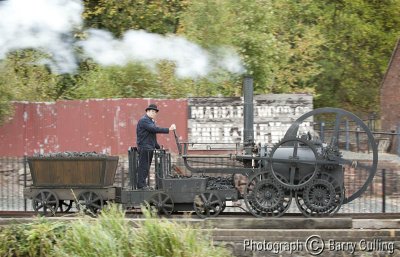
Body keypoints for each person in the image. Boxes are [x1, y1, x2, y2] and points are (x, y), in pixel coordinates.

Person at [136, 103, 176, 190]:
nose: (155, 113)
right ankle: (141, 186)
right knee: (143, 167)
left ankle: (143, 185)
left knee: (146, 167)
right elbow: (154, 129)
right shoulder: (144, 120)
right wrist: (168, 129)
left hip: (149, 147)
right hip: (144, 147)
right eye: (153, 111)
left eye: (155, 112)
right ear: (148, 111)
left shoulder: (150, 121)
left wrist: (158, 147)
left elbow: (152, 137)